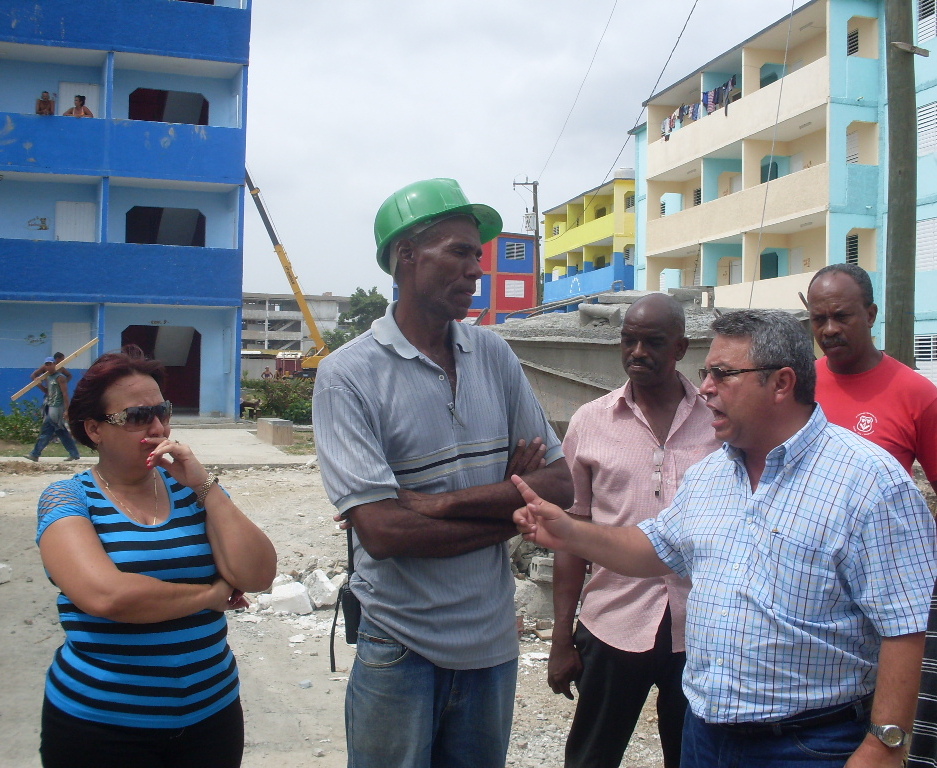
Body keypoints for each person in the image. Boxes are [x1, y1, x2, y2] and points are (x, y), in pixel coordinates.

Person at [512, 309, 937, 768]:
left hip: (811, 744)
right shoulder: (711, 474)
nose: (706, 388)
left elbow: (904, 625)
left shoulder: (870, 483)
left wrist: (884, 744)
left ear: (781, 383)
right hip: (706, 736)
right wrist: (570, 532)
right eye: (706, 373)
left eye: (723, 374)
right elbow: (654, 549)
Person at [313, 177, 574, 768]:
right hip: (399, 644)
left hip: (492, 644)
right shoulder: (347, 376)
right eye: (459, 252)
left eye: (477, 255)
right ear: (406, 255)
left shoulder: (494, 354)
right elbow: (384, 532)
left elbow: (561, 486)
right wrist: (514, 509)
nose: (476, 270)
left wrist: (438, 503)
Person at [35, 347, 277, 768]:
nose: (158, 427)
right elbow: (108, 596)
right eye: (136, 416)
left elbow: (258, 575)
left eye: (162, 412)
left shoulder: (191, 490)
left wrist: (206, 486)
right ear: (94, 429)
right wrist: (209, 595)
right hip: (101, 725)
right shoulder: (68, 498)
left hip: (211, 715)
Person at [552, 293, 720, 768]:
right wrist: (561, 638)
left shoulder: (719, 420)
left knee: (693, 758)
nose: (638, 352)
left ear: (680, 348)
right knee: (591, 757)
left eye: (653, 342)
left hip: (701, 629)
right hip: (613, 622)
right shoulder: (590, 422)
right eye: (629, 340)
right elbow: (571, 535)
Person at [807, 263, 937, 496]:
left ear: (870, 315)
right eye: (819, 319)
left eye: (841, 316)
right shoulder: (798, 385)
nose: (829, 329)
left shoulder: (919, 395)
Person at [26, 356, 81, 462]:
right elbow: (47, 392)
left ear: (54, 365)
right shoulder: (48, 377)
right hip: (51, 406)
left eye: (50, 364)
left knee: (47, 430)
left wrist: (67, 410)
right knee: (61, 431)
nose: (49, 366)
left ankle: (35, 454)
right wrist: (39, 385)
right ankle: (74, 454)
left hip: (57, 408)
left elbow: (65, 394)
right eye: (47, 364)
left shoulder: (60, 377)